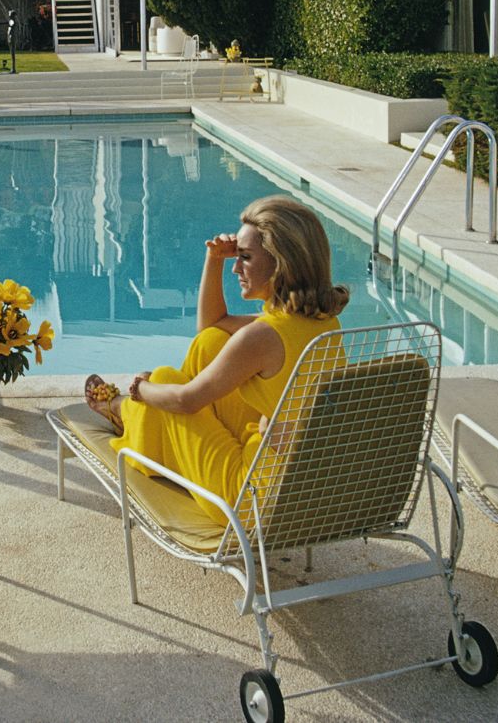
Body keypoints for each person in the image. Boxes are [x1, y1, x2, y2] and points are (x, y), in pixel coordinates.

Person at [84, 195, 350, 525]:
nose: (236, 267)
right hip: (296, 482)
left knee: (167, 379)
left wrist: (141, 388)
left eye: (246, 258)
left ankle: (127, 410)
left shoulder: (263, 337)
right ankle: (143, 424)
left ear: (281, 264)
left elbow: (185, 400)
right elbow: (211, 326)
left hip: (248, 498)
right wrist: (215, 259)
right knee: (211, 343)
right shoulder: (318, 321)